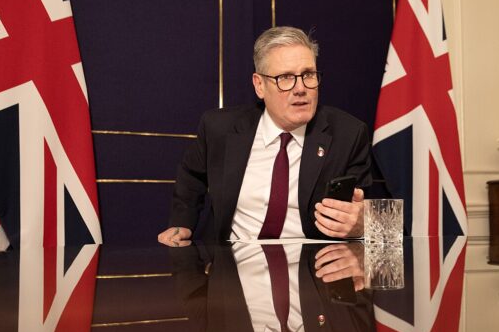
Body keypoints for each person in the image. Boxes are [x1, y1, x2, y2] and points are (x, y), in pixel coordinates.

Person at [158, 26, 372, 246]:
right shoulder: (219, 128)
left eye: (308, 74)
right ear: (259, 85)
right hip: (234, 266)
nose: (300, 88)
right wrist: (182, 223)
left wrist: (361, 225)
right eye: (285, 77)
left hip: (312, 269)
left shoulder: (349, 134)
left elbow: (364, 208)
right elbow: (192, 177)